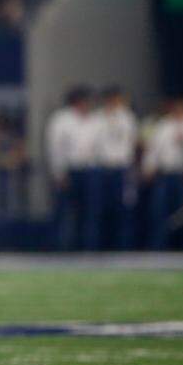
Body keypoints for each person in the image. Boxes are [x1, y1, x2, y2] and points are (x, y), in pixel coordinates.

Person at [141, 97, 183, 249]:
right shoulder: (163, 126)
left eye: (182, 109)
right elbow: (153, 149)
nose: (178, 112)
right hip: (165, 175)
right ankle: (159, 247)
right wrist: (149, 166)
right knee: (159, 212)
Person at [45, 86, 96, 250]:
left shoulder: (92, 120)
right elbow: (54, 148)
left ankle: (85, 247)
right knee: (63, 212)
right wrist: (59, 172)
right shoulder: (61, 120)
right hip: (68, 170)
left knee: (86, 212)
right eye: (85, 101)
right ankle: (59, 248)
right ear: (77, 102)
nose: (88, 104)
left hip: (88, 170)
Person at [89, 86, 138, 250]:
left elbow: (132, 143)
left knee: (122, 211)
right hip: (101, 169)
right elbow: (92, 144)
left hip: (121, 169)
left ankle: (123, 247)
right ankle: (98, 247)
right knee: (99, 210)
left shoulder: (127, 118)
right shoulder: (96, 118)